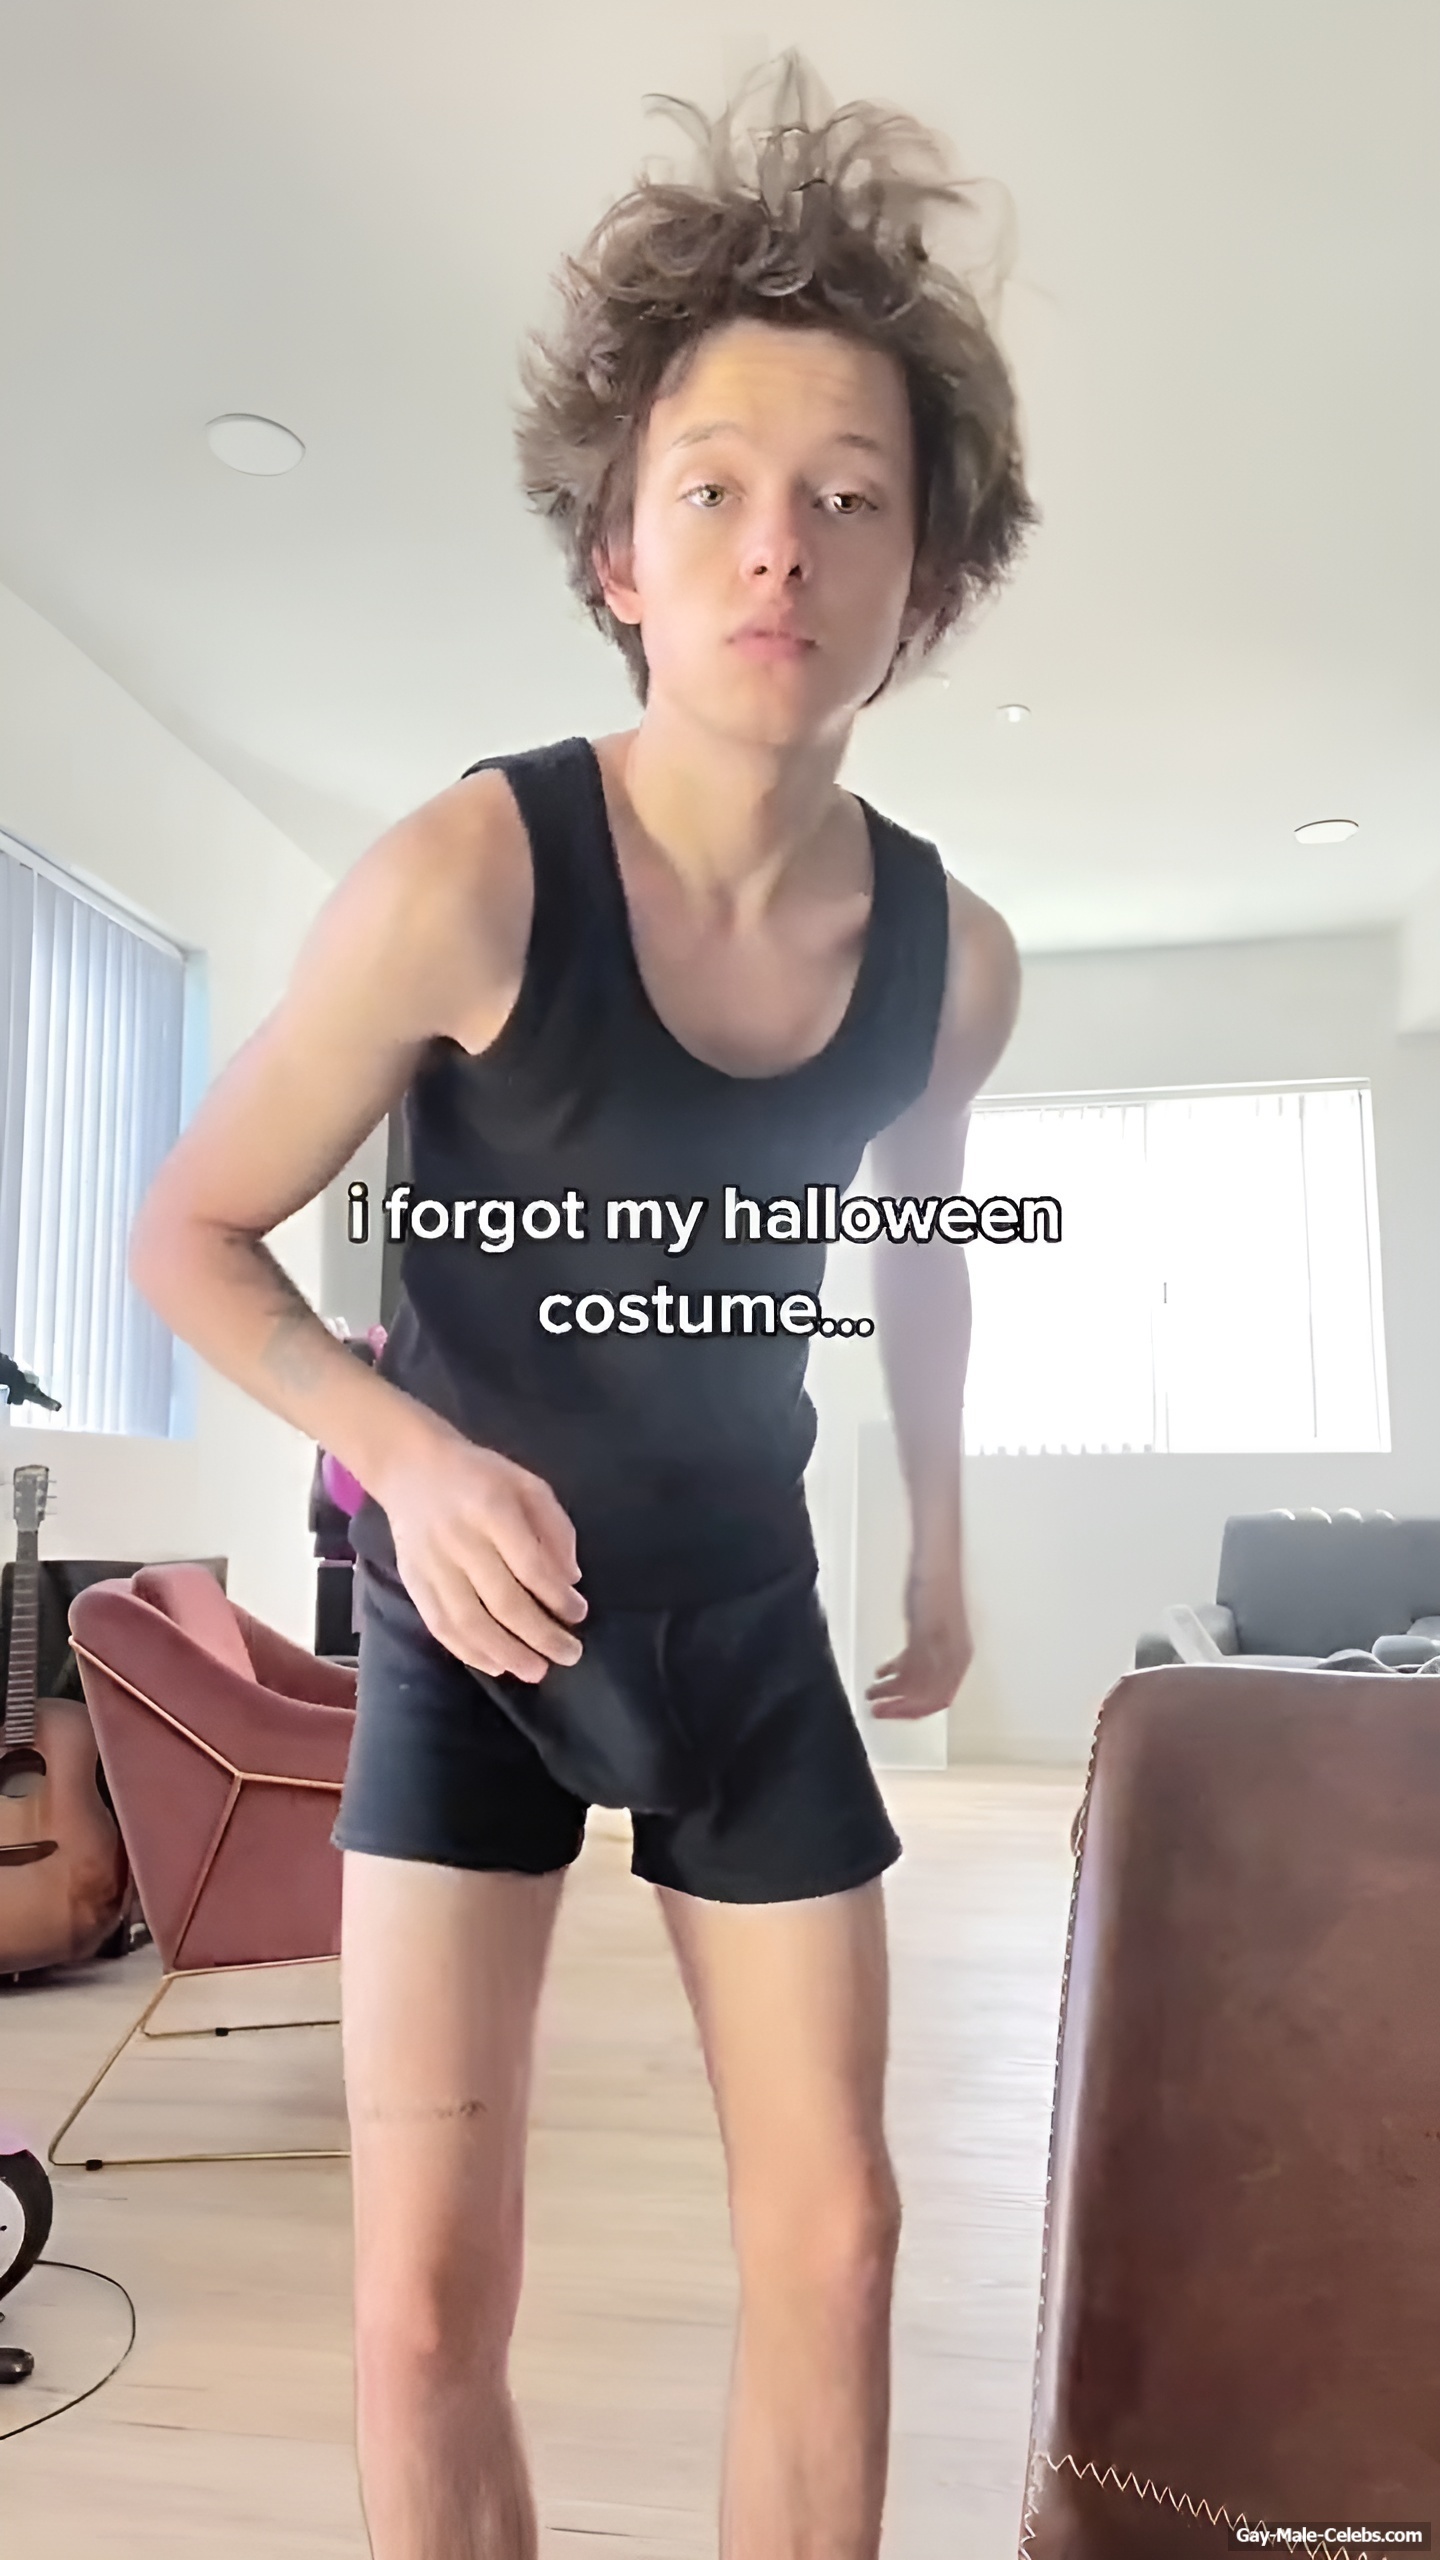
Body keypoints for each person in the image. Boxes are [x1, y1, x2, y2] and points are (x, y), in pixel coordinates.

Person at [129, 52, 1037, 2560]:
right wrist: (402, 1453)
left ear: (925, 580)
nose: (781, 546)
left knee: (840, 2243)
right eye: (714, 488)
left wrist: (946, 1535)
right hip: (470, 1630)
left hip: (745, 1614)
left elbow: (924, 1248)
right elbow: (187, 1230)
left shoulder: (953, 958)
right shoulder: (468, 875)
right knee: (426, 2306)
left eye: (850, 497)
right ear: (619, 553)